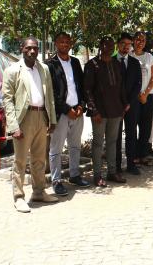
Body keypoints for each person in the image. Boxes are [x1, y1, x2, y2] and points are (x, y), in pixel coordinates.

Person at [3, 37, 58, 212]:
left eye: (35, 48)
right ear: (22, 49)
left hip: (41, 116)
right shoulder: (12, 70)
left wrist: (52, 119)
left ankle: (39, 192)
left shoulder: (44, 69)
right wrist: (13, 126)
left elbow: (49, 96)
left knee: (39, 159)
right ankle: (19, 197)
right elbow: (7, 100)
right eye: (28, 48)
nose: (32, 51)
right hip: (23, 120)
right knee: (20, 161)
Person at [46, 32, 90, 197]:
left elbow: (81, 86)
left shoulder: (76, 62)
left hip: (77, 112)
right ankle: (56, 181)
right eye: (61, 41)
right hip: (61, 114)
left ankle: (74, 175)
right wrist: (66, 109)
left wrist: (81, 106)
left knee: (75, 145)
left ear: (71, 44)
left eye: (67, 41)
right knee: (56, 149)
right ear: (56, 43)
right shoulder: (50, 64)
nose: (64, 44)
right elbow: (51, 93)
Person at [84, 36, 128, 187]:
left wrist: (124, 105)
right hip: (99, 112)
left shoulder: (116, 63)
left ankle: (112, 172)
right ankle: (97, 175)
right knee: (97, 144)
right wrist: (93, 110)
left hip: (116, 110)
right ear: (100, 46)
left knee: (113, 142)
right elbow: (87, 90)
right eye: (106, 45)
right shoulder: (92, 65)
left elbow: (121, 86)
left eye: (111, 45)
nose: (109, 48)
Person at [114, 33, 142, 175]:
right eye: (123, 44)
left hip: (132, 105)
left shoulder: (135, 63)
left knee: (131, 134)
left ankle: (131, 164)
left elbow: (138, 84)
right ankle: (117, 166)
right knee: (116, 136)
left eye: (129, 44)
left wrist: (129, 102)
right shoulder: (111, 62)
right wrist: (119, 103)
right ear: (118, 44)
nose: (126, 47)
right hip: (115, 105)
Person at [130, 31, 153, 166]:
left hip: (148, 97)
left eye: (143, 40)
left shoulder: (149, 57)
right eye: (137, 39)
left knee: (146, 127)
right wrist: (136, 95)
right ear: (133, 41)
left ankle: (143, 155)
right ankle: (133, 155)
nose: (140, 42)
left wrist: (145, 94)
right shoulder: (129, 55)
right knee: (132, 126)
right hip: (133, 97)